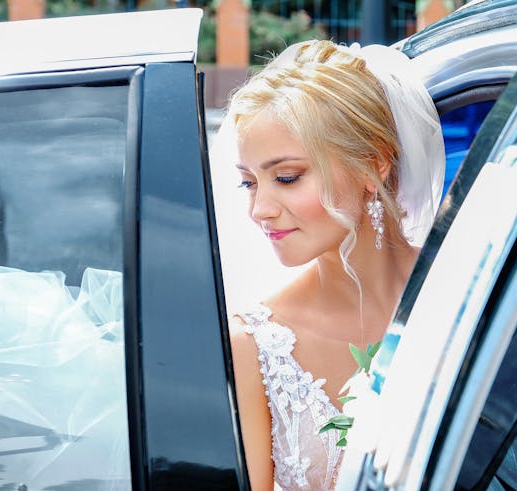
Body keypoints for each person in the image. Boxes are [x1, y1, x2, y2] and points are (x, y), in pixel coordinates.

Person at [214, 39, 445, 491]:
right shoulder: (254, 345)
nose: (259, 209)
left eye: (286, 178)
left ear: (372, 166)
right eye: (248, 183)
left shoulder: (468, 292)